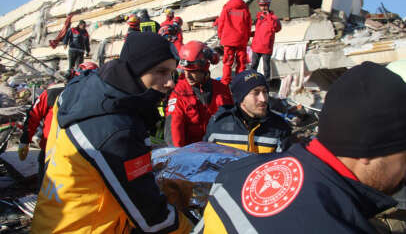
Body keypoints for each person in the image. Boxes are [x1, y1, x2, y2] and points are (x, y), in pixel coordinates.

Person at [195, 62, 406, 234]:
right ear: (368, 147)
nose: (263, 99)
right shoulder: (219, 123)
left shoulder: (237, 173)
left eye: (265, 92)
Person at [31, 33, 191, 234]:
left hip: (51, 216)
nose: (170, 83)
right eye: (161, 72)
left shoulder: (79, 89)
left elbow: (51, 150)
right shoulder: (118, 131)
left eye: (171, 74)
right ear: (136, 69)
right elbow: (153, 218)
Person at [18, 62, 99, 188]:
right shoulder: (54, 92)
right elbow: (34, 114)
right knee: (47, 188)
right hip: (55, 152)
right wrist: (25, 140)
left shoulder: (96, 95)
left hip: (77, 153)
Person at [165, 41, 233, 147]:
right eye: (185, 71)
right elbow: (174, 134)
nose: (187, 76)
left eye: (193, 71)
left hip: (220, 151)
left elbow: (233, 125)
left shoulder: (222, 90)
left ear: (205, 68)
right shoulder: (179, 95)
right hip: (191, 156)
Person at [203, 70, 291, 153]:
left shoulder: (280, 127)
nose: (263, 99)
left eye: (265, 92)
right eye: (256, 93)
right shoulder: (218, 125)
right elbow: (207, 159)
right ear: (241, 98)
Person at [217, 0, 252, 85]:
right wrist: (247, 37)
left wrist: (220, 36)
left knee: (228, 62)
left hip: (228, 40)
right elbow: (248, 25)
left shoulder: (227, 7)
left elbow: (221, 23)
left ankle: (225, 82)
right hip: (241, 40)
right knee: (241, 62)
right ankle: (240, 82)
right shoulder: (245, 9)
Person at [250, 0, 281, 81]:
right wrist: (250, 34)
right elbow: (259, 30)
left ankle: (266, 85)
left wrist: (269, 17)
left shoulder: (274, 18)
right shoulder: (259, 17)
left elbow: (277, 28)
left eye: (265, 5)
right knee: (253, 66)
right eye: (261, 5)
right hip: (256, 46)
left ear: (268, 5)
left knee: (266, 68)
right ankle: (252, 82)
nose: (263, 8)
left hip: (266, 47)